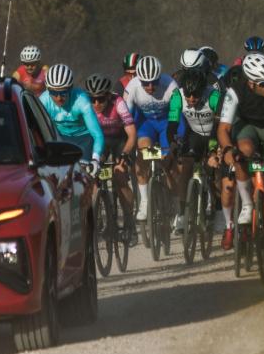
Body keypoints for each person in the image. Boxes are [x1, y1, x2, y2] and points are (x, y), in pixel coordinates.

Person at [216, 54, 264, 228]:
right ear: (251, 84)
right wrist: (227, 149)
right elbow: (223, 128)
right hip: (247, 126)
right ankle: (247, 204)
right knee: (242, 152)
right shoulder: (235, 91)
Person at [123, 55, 179, 222]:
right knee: (143, 154)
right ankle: (145, 201)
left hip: (167, 124)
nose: (150, 87)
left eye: (154, 82)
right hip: (146, 124)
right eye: (145, 83)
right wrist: (129, 142)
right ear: (138, 79)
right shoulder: (132, 87)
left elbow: (177, 117)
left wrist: (172, 143)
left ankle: (176, 203)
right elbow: (127, 119)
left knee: (169, 163)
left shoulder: (171, 85)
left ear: (159, 77)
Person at [167, 68, 222, 236]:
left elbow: (219, 126)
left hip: (215, 133)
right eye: (188, 94)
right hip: (194, 135)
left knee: (216, 171)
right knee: (185, 169)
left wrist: (213, 150)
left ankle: (219, 212)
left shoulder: (214, 96)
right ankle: (182, 214)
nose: (191, 99)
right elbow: (172, 124)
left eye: (196, 95)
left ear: (203, 90)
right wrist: (172, 144)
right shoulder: (177, 96)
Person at [86, 73, 137, 234]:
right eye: (93, 99)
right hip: (101, 142)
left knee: (120, 176)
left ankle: (129, 220)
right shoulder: (86, 106)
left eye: (101, 99)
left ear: (108, 96)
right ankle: (97, 215)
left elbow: (132, 134)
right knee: (92, 176)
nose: (96, 103)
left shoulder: (118, 102)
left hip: (119, 140)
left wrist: (125, 155)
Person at [39, 64, 104, 165]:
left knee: (84, 170)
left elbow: (97, 134)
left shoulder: (81, 100)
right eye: (54, 92)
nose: (59, 98)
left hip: (84, 138)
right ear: (48, 90)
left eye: (63, 92)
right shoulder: (43, 100)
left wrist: (95, 159)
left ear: (71, 88)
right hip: (60, 138)